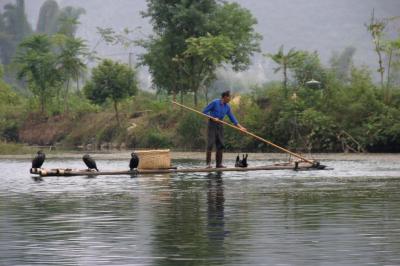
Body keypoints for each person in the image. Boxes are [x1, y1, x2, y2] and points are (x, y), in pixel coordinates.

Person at [203, 91, 246, 168]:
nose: (230, 99)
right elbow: (204, 111)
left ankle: (218, 164)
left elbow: (232, 118)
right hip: (212, 124)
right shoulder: (215, 102)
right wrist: (212, 117)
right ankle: (208, 164)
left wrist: (240, 127)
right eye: (229, 97)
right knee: (210, 143)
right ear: (225, 97)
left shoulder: (227, 107)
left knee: (220, 144)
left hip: (220, 125)